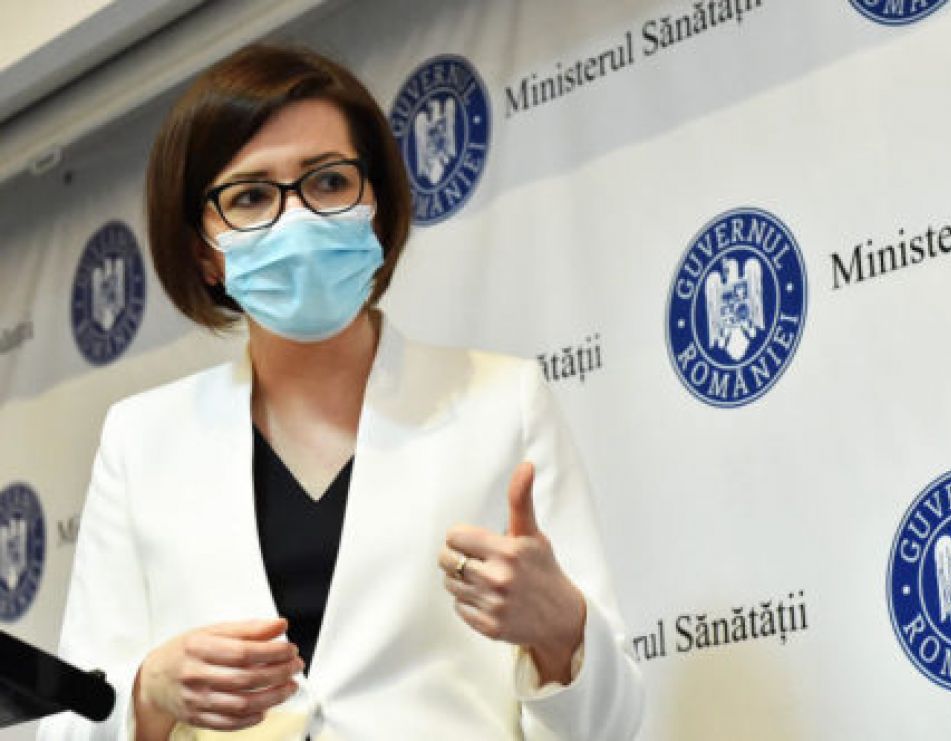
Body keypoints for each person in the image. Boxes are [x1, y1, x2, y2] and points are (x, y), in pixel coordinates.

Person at [37, 44, 643, 740]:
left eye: (328, 182)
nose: (297, 218)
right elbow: (68, 729)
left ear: (375, 204)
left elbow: (611, 725)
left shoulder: (504, 401)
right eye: (250, 196)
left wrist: (561, 629)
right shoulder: (141, 441)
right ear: (203, 252)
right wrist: (150, 692)